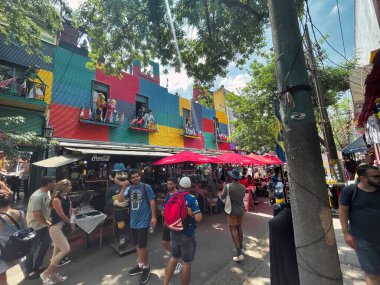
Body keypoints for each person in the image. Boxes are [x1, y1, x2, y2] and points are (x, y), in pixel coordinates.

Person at [339, 164, 380, 285]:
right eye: (376, 176)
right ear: (363, 178)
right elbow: (343, 211)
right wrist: (346, 233)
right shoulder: (350, 191)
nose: (379, 178)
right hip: (364, 241)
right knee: (373, 274)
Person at [118, 170, 156, 285]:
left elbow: (152, 202)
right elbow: (120, 200)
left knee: (143, 245)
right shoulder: (129, 189)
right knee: (137, 245)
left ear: (140, 176)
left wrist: (153, 217)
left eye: (137, 176)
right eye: (133, 177)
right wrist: (123, 187)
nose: (136, 178)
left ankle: (146, 267)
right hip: (133, 222)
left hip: (144, 222)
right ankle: (140, 265)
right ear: (130, 179)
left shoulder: (146, 187)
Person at [163, 177, 202, 285]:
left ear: (179, 186)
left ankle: (165, 283)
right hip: (187, 234)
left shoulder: (171, 196)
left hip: (173, 232)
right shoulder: (191, 198)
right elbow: (198, 218)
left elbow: (163, 213)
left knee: (174, 257)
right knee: (186, 263)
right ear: (189, 187)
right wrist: (190, 215)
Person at [40, 179, 74, 284]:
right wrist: (70, 223)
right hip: (56, 228)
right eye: (69, 185)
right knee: (66, 249)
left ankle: (53, 275)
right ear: (64, 187)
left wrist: (71, 215)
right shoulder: (56, 200)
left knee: (56, 254)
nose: (71, 187)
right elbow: (61, 215)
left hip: (62, 227)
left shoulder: (66, 197)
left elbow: (68, 212)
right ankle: (46, 273)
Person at [24, 176, 56, 280]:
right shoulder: (37, 196)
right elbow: (36, 215)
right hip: (35, 227)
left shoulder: (47, 193)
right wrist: (47, 223)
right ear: (48, 184)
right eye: (53, 182)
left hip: (44, 225)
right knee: (31, 249)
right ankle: (29, 270)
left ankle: (38, 265)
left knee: (45, 245)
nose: (55, 184)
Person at [0, 180, 27, 285]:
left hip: (2, 253)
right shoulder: (20, 213)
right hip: (15, 250)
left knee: (2, 280)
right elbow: (25, 229)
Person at [221, 168, 246, 262]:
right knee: (239, 228)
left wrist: (223, 189)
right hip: (241, 210)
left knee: (232, 230)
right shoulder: (243, 187)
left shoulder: (228, 187)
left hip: (232, 211)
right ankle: (241, 247)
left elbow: (223, 197)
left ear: (231, 177)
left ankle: (239, 253)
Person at [105, 163, 131, 250]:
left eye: (124, 173)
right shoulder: (111, 188)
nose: (123, 176)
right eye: (119, 174)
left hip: (130, 210)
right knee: (121, 226)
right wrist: (115, 202)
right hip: (119, 211)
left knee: (129, 225)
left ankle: (129, 239)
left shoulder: (130, 187)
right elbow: (107, 200)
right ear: (112, 177)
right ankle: (121, 241)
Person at [161, 177, 184, 275]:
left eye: (170, 184)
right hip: (167, 223)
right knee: (165, 242)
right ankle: (176, 257)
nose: (169, 186)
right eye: (167, 184)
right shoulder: (168, 194)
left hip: (175, 224)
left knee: (176, 243)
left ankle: (180, 262)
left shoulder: (179, 194)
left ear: (175, 184)